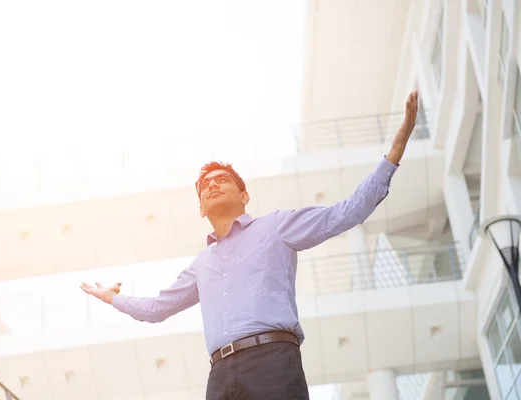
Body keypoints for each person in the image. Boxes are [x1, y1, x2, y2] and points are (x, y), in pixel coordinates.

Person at [81, 91, 419, 399]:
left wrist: (395, 151)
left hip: (272, 363)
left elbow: (345, 213)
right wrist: (111, 297)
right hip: (220, 375)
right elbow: (156, 309)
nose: (212, 186)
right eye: (205, 186)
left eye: (222, 180)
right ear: (201, 208)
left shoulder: (275, 227)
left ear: (243, 195)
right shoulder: (201, 264)